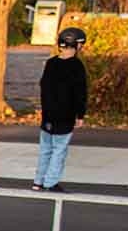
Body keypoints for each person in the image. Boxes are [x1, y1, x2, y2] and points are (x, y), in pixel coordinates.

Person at [34, 26, 88, 192]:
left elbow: (43, 87)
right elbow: (80, 93)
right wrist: (80, 114)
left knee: (45, 149)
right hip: (65, 116)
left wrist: (45, 109)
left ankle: (38, 181)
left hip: (48, 115)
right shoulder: (77, 66)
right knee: (59, 150)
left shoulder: (51, 63)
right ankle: (51, 182)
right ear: (76, 46)